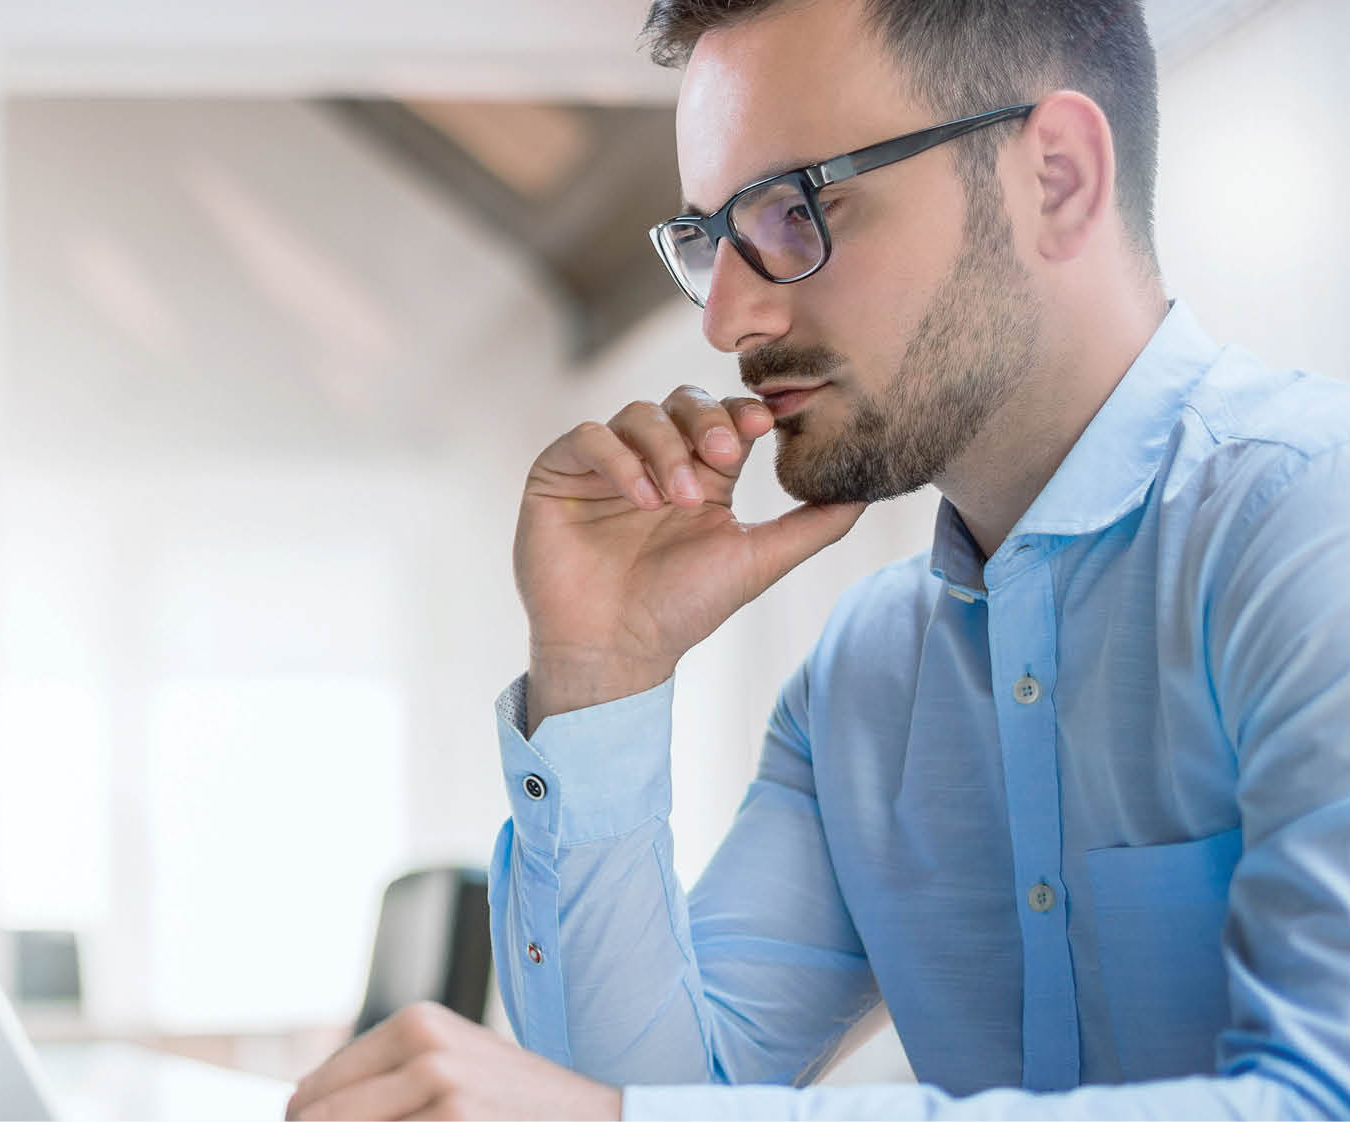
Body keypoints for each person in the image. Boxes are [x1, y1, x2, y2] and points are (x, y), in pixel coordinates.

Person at [283, 0, 1350, 1118]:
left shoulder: (1310, 523)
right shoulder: (866, 677)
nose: (727, 320)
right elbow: (648, 1092)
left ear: (1057, 180)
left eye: (794, 209)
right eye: (708, 239)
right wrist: (598, 673)